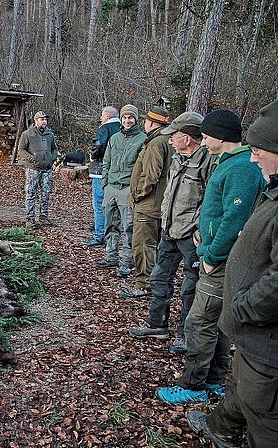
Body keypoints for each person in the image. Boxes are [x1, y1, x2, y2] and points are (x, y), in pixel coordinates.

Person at [156, 109, 265, 405]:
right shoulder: (230, 163)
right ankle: (215, 380)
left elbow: (235, 217)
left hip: (220, 261)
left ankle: (193, 384)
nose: (202, 142)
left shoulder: (241, 168)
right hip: (218, 255)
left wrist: (211, 255)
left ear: (220, 136)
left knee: (200, 320)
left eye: (205, 136)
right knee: (216, 321)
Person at [187, 99, 278, 448]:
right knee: (241, 388)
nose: (253, 159)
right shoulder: (268, 186)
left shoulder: (241, 169)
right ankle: (222, 427)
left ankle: (197, 386)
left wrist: (241, 308)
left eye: (259, 151)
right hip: (252, 339)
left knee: (264, 414)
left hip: (264, 336)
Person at [128, 112, 215, 355]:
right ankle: (157, 324)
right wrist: (166, 220)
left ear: (187, 138)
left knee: (190, 288)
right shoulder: (178, 158)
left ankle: (185, 335)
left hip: (190, 236)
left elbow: (210, 202)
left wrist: (196, 228)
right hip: (169, 232)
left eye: (174, 136)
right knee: (159, 278)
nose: (169, 140)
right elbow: (170, 194)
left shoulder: (208, 162)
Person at [121, 106, 173, 298]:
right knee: (155, 246)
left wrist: (137, 195)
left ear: (151, 123)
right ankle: (155, 284)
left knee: (143, 246)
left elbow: (151, 175)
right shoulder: (168, 140)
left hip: (149, 206)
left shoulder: (155, 143)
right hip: (159, 205)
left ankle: (144, 286)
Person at [95, 104, 146, 277]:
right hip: (111, 188)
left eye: (130, 117)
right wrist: (105, 183)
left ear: (136, 119)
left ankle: (127, 262)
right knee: (110, 224)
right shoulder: (115, 138)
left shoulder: (142, 139)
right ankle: (111, 257)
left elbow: (143, 167)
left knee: (129, 227)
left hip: (127, 189)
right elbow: (106, 161)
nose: (127, 120)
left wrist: (135, 189)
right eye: (124, 118)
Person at [83, 106, 121, 247]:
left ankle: (99, 236)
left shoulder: (104, 129)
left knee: (99, 204)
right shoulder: (124, 128)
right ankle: (110, 235)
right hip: (117, 173)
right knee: (114, 206)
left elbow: (98, 146)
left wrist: (93, 158)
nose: (100, 118)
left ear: (107, 117)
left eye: (102, 116)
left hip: (100, 171)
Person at [17, 110, 60, 228]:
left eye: (46, 119)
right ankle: (30, 219)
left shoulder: (50, 134)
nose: (44, 121)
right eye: (42, 119)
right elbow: (21, 150)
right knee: (31, 193)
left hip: (47, 168)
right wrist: (32, 158)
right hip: (33, 169)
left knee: (45, 193)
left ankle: (43, 217)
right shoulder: (27, 134)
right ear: (36, 121)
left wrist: (52, 157)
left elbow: (55, 149)